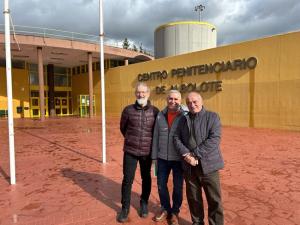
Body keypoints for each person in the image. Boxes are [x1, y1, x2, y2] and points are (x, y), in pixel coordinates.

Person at [174, 92, 224, 225]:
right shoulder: (182, 120)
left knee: (214, 200)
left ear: (201, 101)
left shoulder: (212, 117)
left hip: (209, 167)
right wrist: (186, 155)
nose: (192, 104)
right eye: (189, 102)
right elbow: (176, 138)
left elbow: (214, 139)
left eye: (195, 101)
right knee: (194, 199)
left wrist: (195, 154)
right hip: (189, 168)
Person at [117, 82, 159, 223]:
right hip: (130, 151)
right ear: (135, 93)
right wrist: (131, 139)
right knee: (127, 180)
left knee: (146, 178)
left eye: (143, 92)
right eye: (138, 92)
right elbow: (123, 128)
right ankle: (125, 208)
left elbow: (156, 132)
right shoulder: (128, 110)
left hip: (147, 153)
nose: (141, 94)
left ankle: (144, 203)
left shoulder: (155, 111)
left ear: (148, 93)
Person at [151, 90, 187, 225]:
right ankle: (165, 208)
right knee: (161, 185)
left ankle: (175, 212)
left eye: (176, 99)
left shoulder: (185, 115)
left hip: (178, 159)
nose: (173, 101)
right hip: (162, 158)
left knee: (178, 187)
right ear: (167, 100)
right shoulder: (161, 115)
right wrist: (154, 157)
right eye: (170, 99)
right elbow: (155, 137)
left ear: (180, 100)